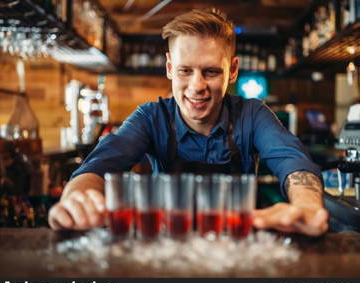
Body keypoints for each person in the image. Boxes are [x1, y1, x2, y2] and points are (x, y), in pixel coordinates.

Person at [49, 8, 328, 236]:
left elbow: (293, 162)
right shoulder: (151, 117)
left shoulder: (253, 115)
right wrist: (77, 199)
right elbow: (97, 167)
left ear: (232, 71)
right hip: (167, 248)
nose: (197, 86)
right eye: (185, 71)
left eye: (210, 72)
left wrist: (306, 206)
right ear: (170, 68)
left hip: (237, 247)